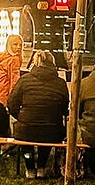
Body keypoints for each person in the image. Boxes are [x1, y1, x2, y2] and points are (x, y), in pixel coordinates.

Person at [7, 50, 69, 178]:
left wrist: (21, 117)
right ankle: (41, 167)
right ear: (53, 63)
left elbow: (11, 103)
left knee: (26, 135)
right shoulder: (61, 83)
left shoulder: (24, 80)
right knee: (47, 134)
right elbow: (64, 108)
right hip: (52, 130)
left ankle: (30, 168)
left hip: (26, 129)